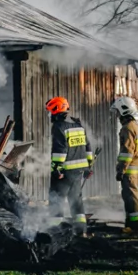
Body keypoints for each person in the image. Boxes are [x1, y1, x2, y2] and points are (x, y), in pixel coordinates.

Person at [45, 97, 94, 236]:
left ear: (56, 110)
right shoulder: (78, 125)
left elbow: (60, 150)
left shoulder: (59, 127)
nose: (49, 115)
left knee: (56, 200)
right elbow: (88, 147)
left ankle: (54, 232)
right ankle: (81, 231)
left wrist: (57, 169)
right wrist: (88, 166)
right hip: (78, 171)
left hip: (65, 172)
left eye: (50, 112)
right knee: (76, 201)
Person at [111, 96, 138, 235]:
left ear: (124, 111)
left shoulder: (127, 128)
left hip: (129, 169)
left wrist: (120, 170)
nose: (117, 115)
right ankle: (131, 223)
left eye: (118, 112)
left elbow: (127, 152)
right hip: (137, 166)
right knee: (130, 195)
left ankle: (136, 227)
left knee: (131, 196)